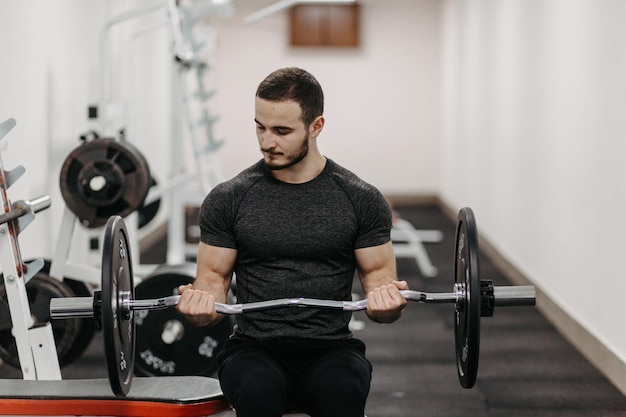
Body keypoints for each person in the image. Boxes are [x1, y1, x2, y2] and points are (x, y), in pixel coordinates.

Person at [176, 67, 408, 417]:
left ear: (316, 127)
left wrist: (387, 304)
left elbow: (379, 281)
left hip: (331, 347)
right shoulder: (229, 199)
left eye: (282, 131)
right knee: (258, 389)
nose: (267, 141)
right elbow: (213, 281)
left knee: (345, 388)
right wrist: (200, 306)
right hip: (253, 347)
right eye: (260, 126)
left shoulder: (360, 198)